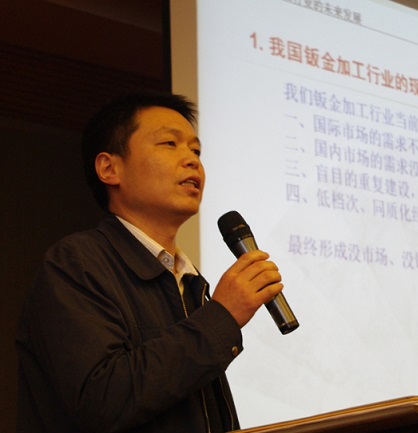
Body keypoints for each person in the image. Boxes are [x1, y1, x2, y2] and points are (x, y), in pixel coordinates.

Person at [16, 92, 284, 433]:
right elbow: (102, 400)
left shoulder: (188, 280)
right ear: (109, 168)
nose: (192, 161)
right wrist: (221, 317)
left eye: (196, 151)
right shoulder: (76, 263)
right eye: (170, 143)